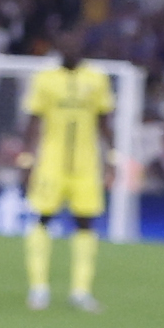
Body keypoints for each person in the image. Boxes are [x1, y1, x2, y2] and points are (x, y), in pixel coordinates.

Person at [21, 33, 114, 313]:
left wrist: (112, 157)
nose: (70, 50)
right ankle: (38, 288)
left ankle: (81, 292)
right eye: (65, 46)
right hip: (51, 162)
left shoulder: (96, 79)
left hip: (86, 164)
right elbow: (33, 120)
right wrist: (26, 159)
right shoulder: (45, 79)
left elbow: (104, 121)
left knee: (86, 224)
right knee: (42, 219)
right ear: (58, 49)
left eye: (74, 46)